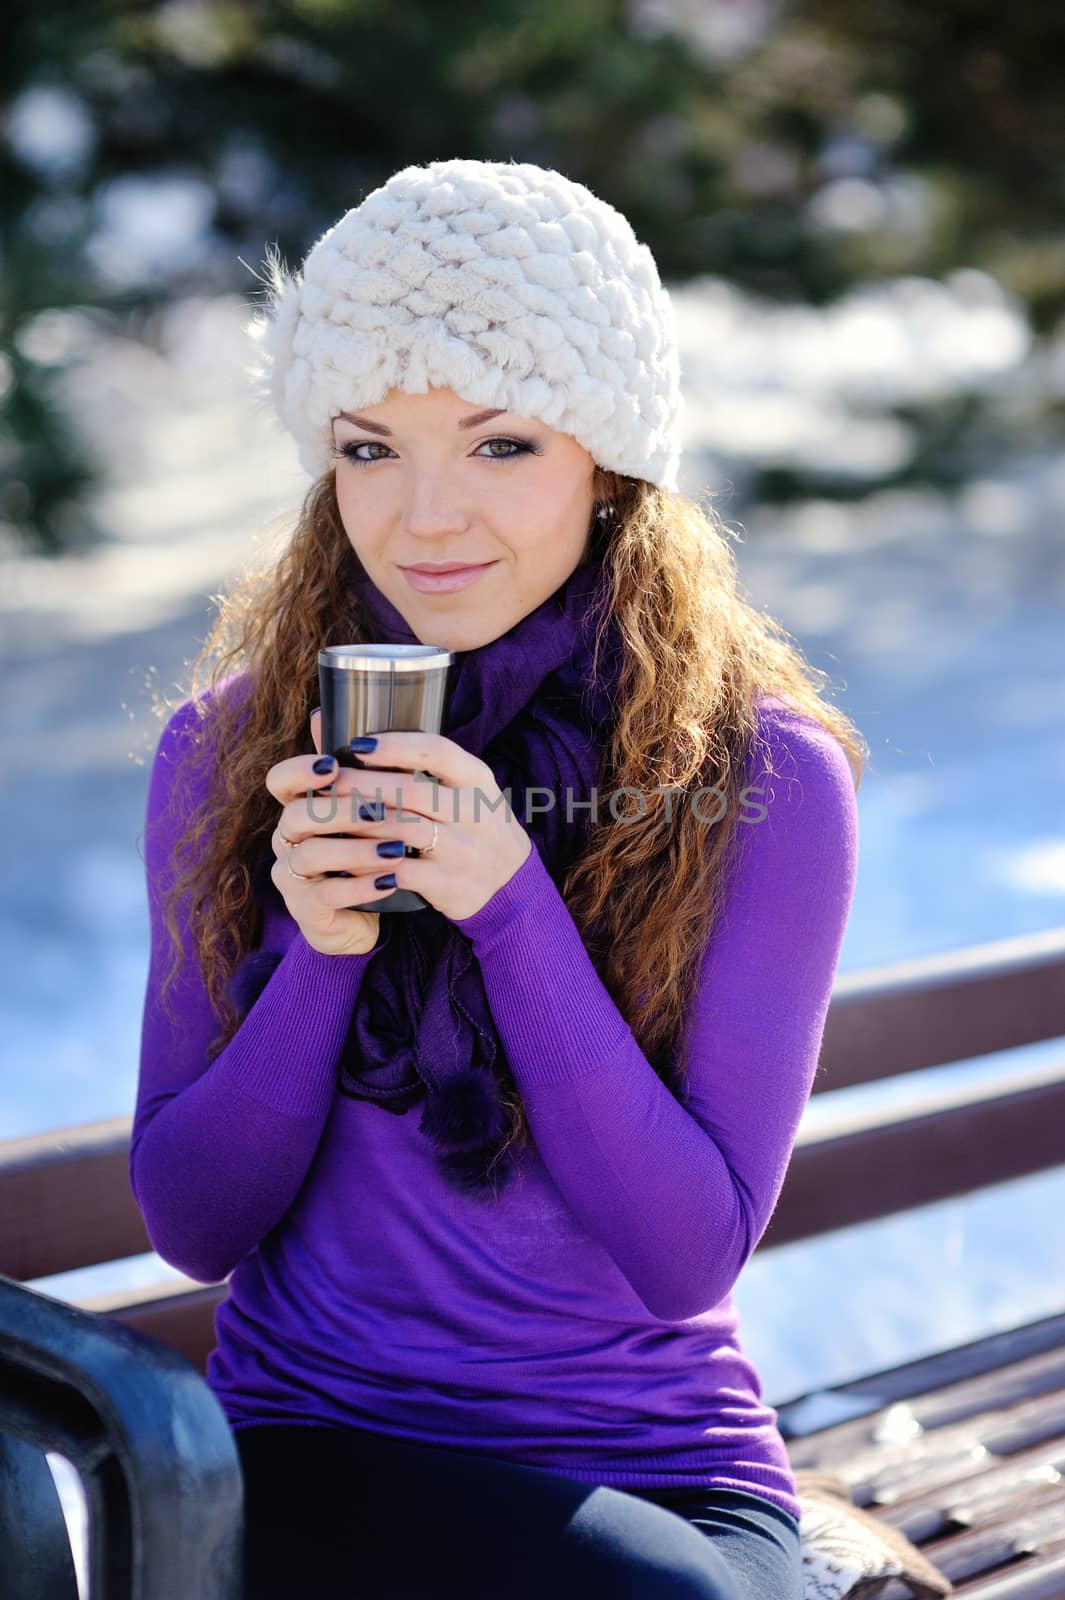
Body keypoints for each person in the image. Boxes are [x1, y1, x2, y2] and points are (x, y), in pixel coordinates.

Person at [133, 158, 864, 1599]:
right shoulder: (227, 753)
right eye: (366, 448)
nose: (424, 518)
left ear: (611, 462)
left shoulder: (762, 775)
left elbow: (681, 1258)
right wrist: (322, 950)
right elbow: (194, 1225)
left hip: (657, 1477)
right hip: (313, 1447)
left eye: (500, 446)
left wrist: (510, 906)